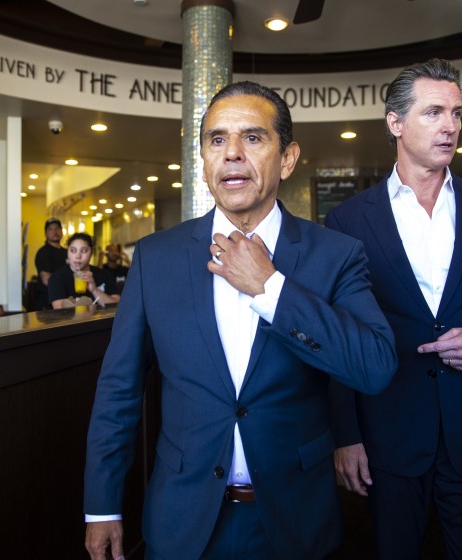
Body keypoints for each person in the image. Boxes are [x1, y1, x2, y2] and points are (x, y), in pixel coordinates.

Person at [83, 81, 397, 560]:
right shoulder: (155, 258)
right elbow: (118, 391)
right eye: (216, 140)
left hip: (293, 522)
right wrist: (101, 507)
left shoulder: (336, 255)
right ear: (203, 160)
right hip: (183, 521)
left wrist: (271, 289)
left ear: (288, 159)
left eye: (252, 138)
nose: (231, 153)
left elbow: (374, 366)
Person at [325, 59, 462, 560]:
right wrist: (346, 436)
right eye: (435, 112)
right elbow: (341, 335)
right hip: (388, 435)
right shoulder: (349, 218)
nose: (451, 126)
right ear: (395, 123)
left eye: (457, 113)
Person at [48, 233, 119, 309]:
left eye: (84, 251)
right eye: (73, 250)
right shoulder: (57, 277)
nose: (78, 256)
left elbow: (116, 306)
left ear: (91, 253)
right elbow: (59, 310)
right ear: (67, 253)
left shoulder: (105, 275)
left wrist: (94, 290)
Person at [34, 218, 68, 310]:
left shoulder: (67, 252)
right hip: (47, 302)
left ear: (62, 232)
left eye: (57, 228)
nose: (54, 231)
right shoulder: (43, 252)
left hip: (67, 300)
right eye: (50, 229)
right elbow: (46, 280)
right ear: (45, 233)